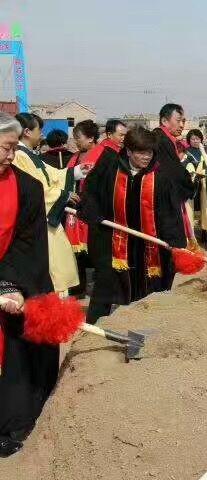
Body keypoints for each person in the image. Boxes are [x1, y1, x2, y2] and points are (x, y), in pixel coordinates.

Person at [80, 127, 195, 323]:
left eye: (150, 152)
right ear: (129, 151)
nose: (146, 157)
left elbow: (169, 213)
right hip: (114, 242)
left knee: (149, 295)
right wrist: (93, 212)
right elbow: (90, 193)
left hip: (148, 247)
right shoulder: (109, 167)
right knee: (106, 288)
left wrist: (174, 242)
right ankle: (95, 334)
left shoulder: (160, 177)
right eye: (141, 152)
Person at [0, 113, 60, 457]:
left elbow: (29, 245)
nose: (13, 155)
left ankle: (9, 423)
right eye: (8, 148)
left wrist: (8, 284)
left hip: (14, 281)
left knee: (19, 357)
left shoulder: (27, 188)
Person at [12, 113, 84, 293]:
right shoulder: (19, 156)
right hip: (38, 223)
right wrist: (63, 195)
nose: (42, 135)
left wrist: (74, 172)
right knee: (52, 270)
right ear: (27, 132)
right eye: (39, 130)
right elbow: (34, 189)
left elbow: (50, 174)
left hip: (45, 219)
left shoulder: (30, 155)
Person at [152, 103, 197, 260]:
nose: (181, 125)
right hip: (163, 200)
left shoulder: (166, 139)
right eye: (178, 120)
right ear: (164, 121)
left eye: (183, 121)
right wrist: (189, 184)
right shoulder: (160, 140)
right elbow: (174, 171)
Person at [64, 120, 100, 297]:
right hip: (74, 211)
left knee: (94, 250)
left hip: (93, 211)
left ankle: (95, 287)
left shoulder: (102, 156)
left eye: (78, 137)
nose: (76, 141)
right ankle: (79, 287)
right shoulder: (74, 157)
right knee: (76, 252)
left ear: (91, 138)